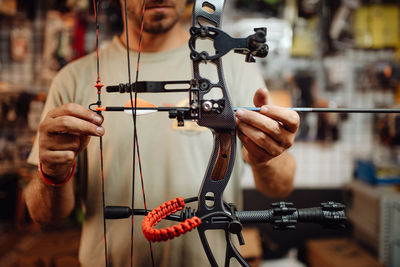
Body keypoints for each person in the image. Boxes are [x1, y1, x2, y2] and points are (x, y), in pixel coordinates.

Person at [24, 0, 300, 266]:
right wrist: (51, 172)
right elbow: (45, 217)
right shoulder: (73, 79)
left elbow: (280, 186)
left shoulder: (233, 68)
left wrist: (267, 155)